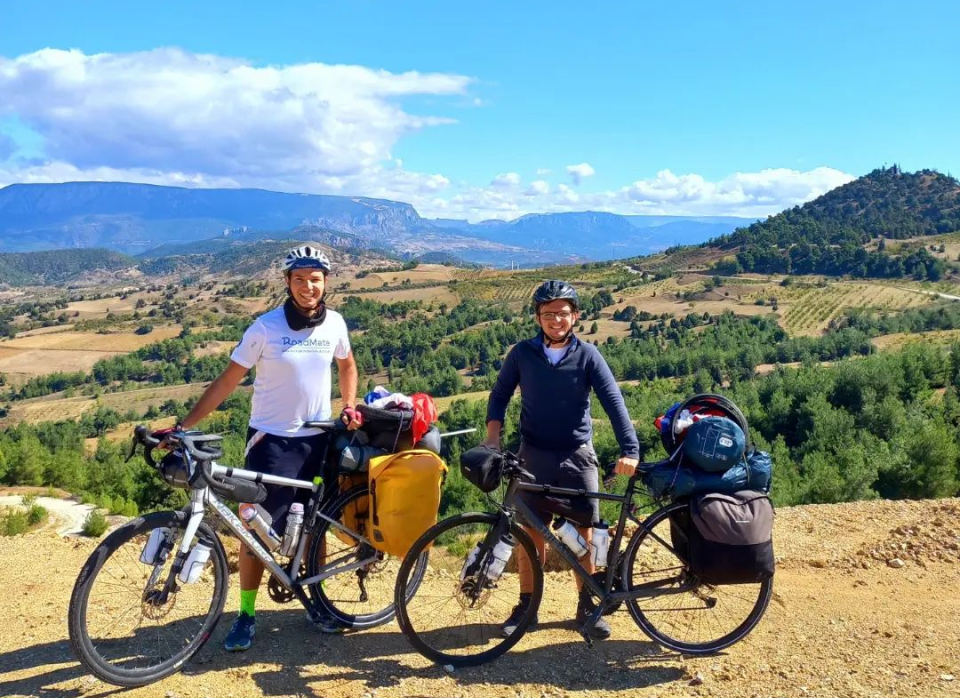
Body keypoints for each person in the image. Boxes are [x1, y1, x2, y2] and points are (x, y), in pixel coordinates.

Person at [169, 244, 363, 651]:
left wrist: (348, 404)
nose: (308, 287)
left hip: (318, 439)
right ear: (288, 284)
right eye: (299, 279)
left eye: (315, 279)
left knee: (315, 525)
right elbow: (227, 380)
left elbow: (347, 365)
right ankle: (246, 613)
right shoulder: (264, 328)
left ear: (325, 282)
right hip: (270, 441)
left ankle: (317, 600)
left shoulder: (336, 324)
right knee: (255, 531)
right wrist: (184, 425)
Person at [484, 279, 639, 640]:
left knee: (583, 533)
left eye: (563, 313)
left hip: (577, 457)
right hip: (532, 456)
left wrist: (629, 450)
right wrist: (493, 438)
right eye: (548, 313)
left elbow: (614, 402)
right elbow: (500, 394)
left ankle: (588, 605)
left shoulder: (588, 356)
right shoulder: (522, 354)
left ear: (576, 316)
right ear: (538, 317)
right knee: (529, 534)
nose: (556, 320)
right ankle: (528, 605)